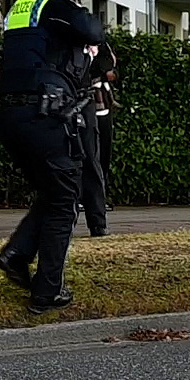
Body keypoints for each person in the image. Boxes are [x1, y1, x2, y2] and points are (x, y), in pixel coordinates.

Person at [0, 0, 105, 313]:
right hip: (44, 113)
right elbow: (92, 30)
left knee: (52, 191)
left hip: (10, 113)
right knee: (64, 200)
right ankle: (47, 290)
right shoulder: (54, 3)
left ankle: (17, 254)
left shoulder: (22, 5)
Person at [77, 42, 117, 237]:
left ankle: (97, 218)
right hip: (78, 100)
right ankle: (85, 206)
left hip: (99, 103)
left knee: (99, 158)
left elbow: (108, 63)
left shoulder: (100, 43)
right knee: (84, 156)